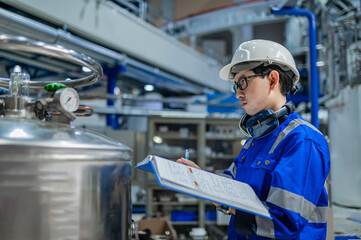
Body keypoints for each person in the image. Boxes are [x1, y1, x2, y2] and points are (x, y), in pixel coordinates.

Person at [177, 39, 330, 240]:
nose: (238, 93)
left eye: (243, 81)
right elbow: (233, 184)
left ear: (273, 80)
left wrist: (229, 205)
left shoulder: (303, 141)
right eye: (236, 86)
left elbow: (283, 223)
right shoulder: (257, 138)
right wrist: (201, 180)